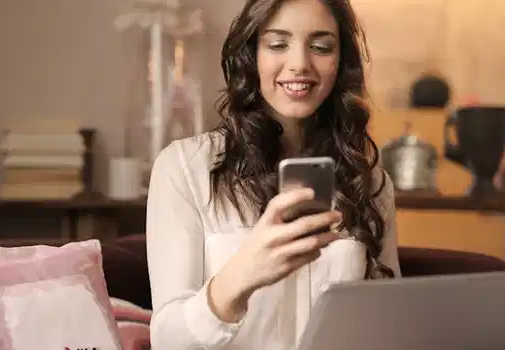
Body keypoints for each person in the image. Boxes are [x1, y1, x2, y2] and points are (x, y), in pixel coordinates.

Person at [145, 0, 400, 349]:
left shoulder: (368, 181)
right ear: (251, 56)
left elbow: (390, 325)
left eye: (321, 46)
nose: (299, 64)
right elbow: (166, 342)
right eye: (278, 44)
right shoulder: (185, 168)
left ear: (340, 62)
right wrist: (241, 276)